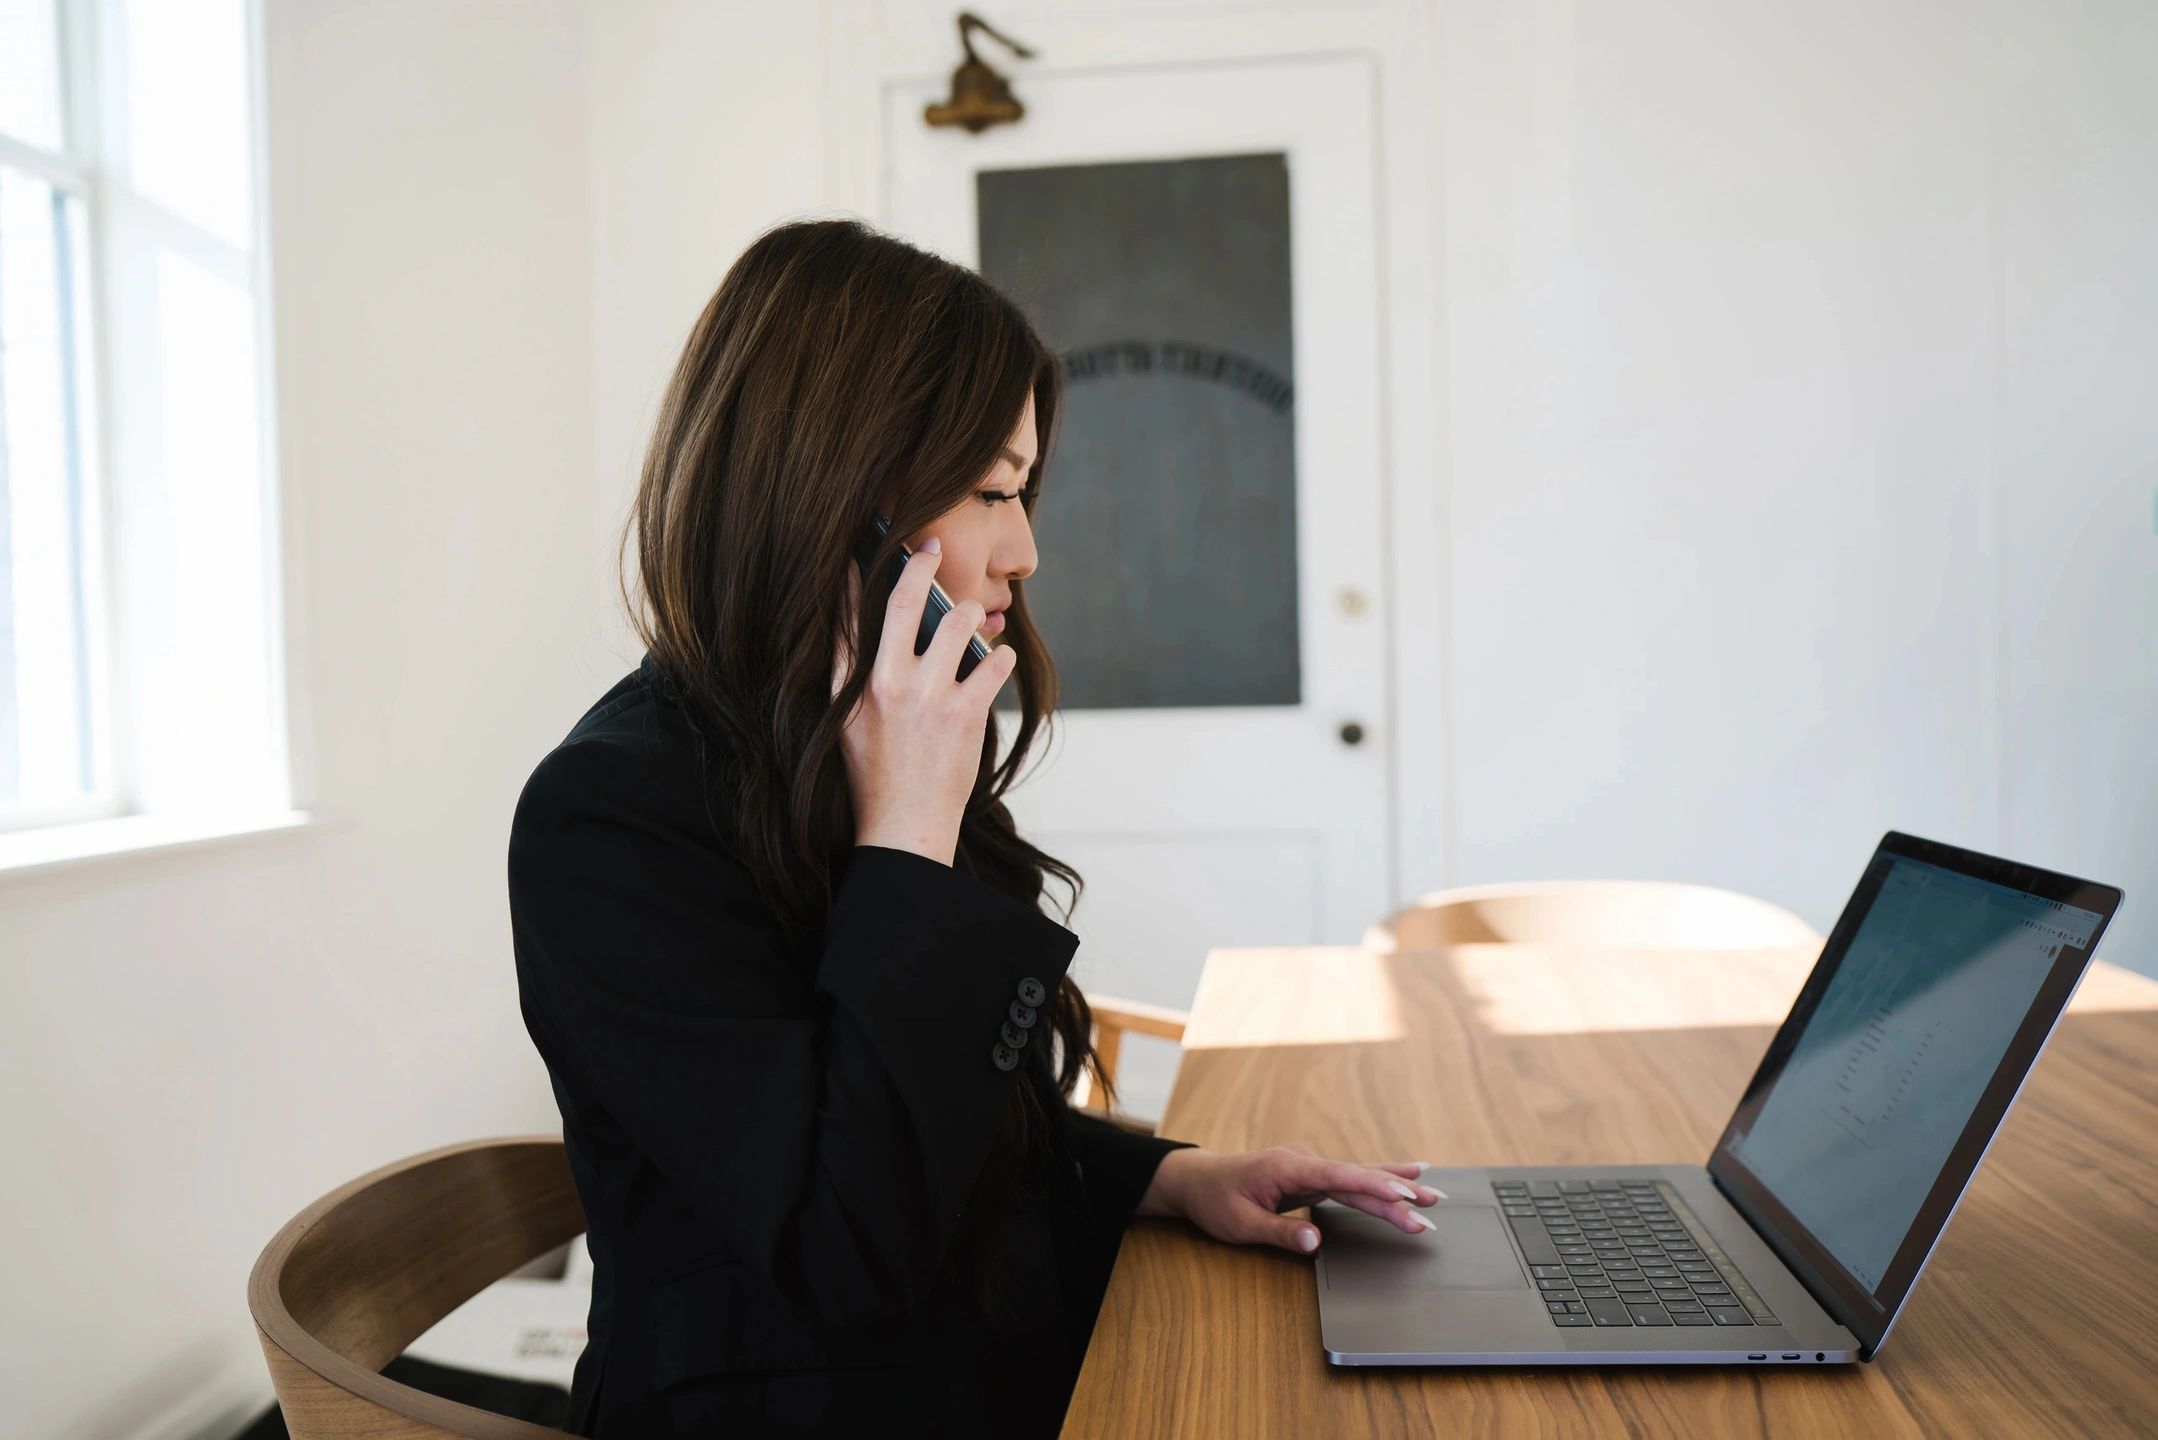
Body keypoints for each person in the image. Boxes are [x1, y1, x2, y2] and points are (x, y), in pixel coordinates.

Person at [505, 217, 1442, 1438]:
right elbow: (852, 1245)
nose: (1027, 548)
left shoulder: (858, 735)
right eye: (996, 490)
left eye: (1026, 489)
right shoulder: (611, 822)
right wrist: (906, 835)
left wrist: (1174, 1177)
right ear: (838, 500)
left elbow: (953, 1122)